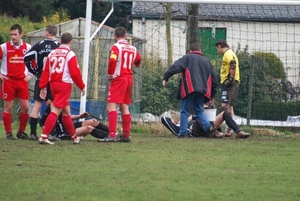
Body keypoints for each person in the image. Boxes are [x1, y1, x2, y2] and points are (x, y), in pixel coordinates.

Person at [38, 32, 86, 145]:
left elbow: (46, 71)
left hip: (53, 84)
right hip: (63, 85)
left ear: (60, 41)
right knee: (56, 111)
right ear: (71, 42)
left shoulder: (52, 53)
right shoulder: (70, 54)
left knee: (66, 113)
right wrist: (82, 86)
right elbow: (75, 73)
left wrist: (43, 86)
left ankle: (74, 137)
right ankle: (44, 136)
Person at [162, 43, 218, 138]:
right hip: (202, 91)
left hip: (189, 88)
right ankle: (208, 127)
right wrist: (212, 94)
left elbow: (176, 67)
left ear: (190, 51)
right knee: (199, 111)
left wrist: (166, 77)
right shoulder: (207, 61)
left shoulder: (187, 58)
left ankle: (183, 132)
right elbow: (214, 79)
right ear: (200, 51)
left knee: (184, 111)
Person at [99, 26, 142, 142]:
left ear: (115, 36)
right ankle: (126, 135)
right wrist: (135, 65)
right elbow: (138, 58)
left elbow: (113, 59)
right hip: (129, 79)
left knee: (111, 106)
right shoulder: (133, 48)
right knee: (125, 107)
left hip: (119, 78)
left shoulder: (116, 47)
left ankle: (112, 135)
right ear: (126, 36)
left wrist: (110, 74)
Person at [24, 25, 60, 141]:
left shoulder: (39, 45)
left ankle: (33, 133)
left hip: (41, 78)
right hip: (54, 80)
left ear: (47, 33)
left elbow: (26, 58)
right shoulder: (58, 46)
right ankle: (49, 133)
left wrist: (33, 70)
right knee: (53, 107)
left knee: (37, 106)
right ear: (55, 33)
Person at [0, 24, 32, 140]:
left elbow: (33, 62)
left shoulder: (28, 47)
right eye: (11, 34)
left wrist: (30, 74)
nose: (13, 37)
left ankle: (21, 132)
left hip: (22, 81)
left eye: (15, 34)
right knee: (8, 107)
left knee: (26, 107)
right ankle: (8, 133)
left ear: (21, 34)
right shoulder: (4, 47)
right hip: (9, 81)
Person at [161, 104, 250, 138]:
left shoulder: (188, 118)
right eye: (173, 120)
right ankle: (214, 132)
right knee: (201, 116)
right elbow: (164, 119)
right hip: (196, 130)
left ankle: (238, 132)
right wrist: (174, 122)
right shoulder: (178, 128)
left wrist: (191, 118)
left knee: (225, 113)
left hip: (209, 125)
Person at [215, 40, 244, 137]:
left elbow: (232, 64)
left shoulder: (228, 54)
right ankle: (229, 130)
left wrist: (230, 79)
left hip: (230, 83)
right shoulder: (231, 53)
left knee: (225, 105)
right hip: (235, 82)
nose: (218, 51)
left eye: (217, 49)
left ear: (219, 46)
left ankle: (232, 128)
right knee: (230, 107)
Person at [39, 104, 109, 140]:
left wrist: (80, 116)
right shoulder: (51, 107)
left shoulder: (64, 103)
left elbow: (67, 117)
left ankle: (113, 133)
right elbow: (42, 122)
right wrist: (49, 134)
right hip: (62, 133)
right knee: (89, 128)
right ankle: (109, 137)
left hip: (69, 126)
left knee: (93, 121)